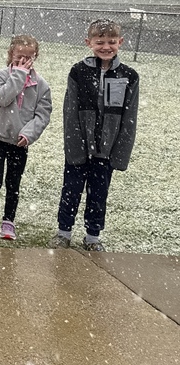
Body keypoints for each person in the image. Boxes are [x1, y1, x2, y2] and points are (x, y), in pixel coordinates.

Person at [49, 19, 138, 252]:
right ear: (89, 42)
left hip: (106, 152)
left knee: (99, 194)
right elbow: (70, 113)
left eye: (111, 42)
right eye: (100, 42)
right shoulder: (78, 72)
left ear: (120, 42)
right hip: (79, 147)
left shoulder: (129, 76)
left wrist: (119, 153)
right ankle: (63, 232)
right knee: (71, 190)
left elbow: (130, 118)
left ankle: (92, 236)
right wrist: (74, 147)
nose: (106, 46)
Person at [0, 35, 52, 241]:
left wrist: (29, 134)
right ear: (10, 55)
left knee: (13, 184)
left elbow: (43, 115)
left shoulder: (41, 85)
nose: (24, 61)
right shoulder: (1, 76)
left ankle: (9, 222)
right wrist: (18, 74)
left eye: (29, 57)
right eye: (19, 57)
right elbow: (2, 97)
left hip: (20, 143)